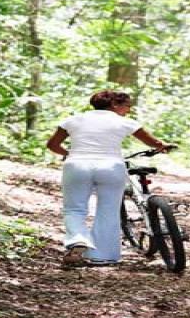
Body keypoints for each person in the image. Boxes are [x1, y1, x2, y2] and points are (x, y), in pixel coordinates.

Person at [47, 90, 173, 267]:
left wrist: (69, 154)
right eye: (127, 106)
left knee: (74, 209)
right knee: (108, 210)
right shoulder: (124, 122)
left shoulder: (74, 120)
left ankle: (77, 240)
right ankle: (102, 256)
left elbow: (52, 145)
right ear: (114, 105)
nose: (128, 110)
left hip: (77, 165)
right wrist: (162, 146)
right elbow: (153, 143)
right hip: (111, 167)